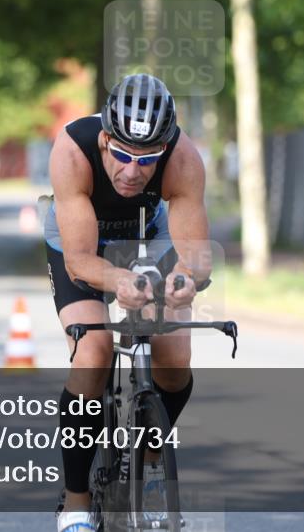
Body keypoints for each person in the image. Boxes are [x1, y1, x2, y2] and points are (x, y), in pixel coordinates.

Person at [43, 74, 211, 532]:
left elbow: (194, 256)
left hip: (147, 231)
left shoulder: (184, 159)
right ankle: (76, 502)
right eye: (121, 155)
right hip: (80, 240)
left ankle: (151, 459)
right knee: (93, 353)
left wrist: (185, 281)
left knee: (173, 354)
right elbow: (80, 261)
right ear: (104, 139)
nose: (132, 172)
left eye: (147, 159)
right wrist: (120, 279)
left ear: (165, 150)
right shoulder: (72, 151)